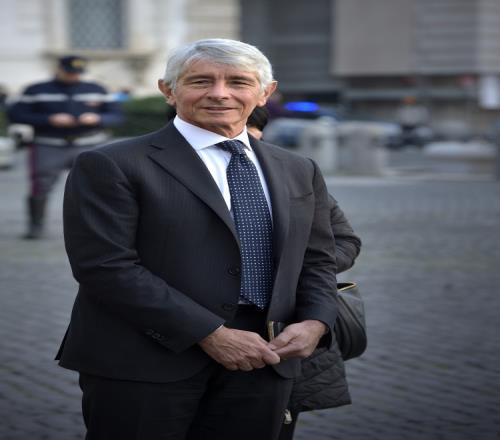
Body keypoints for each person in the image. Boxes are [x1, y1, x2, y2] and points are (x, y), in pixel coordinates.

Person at [56, 38, 338, 440]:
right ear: (168, 90)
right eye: (201, 81)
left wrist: (316, 321)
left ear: (265, 92)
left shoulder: (298, 169)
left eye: (238, 82)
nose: (220, 93)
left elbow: (317, 258)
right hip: (145, 360)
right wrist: (210, 334)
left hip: (266, 359)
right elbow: (105, 267)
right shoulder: (110, 164)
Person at [246, 106, 362, 439]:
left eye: (251, 135)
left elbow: (345, 241)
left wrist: (295, 269)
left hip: (286, 325)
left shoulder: (292, 172)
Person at [7, 55, 124, 239]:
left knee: (98, 186)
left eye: (77, 73)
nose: (73, 76)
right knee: (40, 186)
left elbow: (117, 115)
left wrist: (98, 118)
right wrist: (48, 119)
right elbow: (16, 114)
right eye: (69, 72)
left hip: (89, 145)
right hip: (48, 145)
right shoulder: (36, 90)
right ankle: (36, 226)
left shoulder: (97, 89)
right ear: (59, 69)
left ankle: (99, 229)